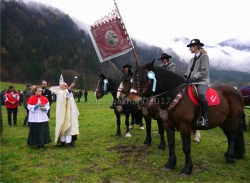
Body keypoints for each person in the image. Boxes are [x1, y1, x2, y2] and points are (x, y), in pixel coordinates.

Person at [184, 39, 209, 127]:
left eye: (190, 47)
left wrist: (194, 78)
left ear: (195, 47)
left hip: (202, 82)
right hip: (192, 81)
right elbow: (189, 71)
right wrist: (185, 77)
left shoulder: (204, 57)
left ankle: (205, 118)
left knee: (201, 95)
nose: (189, 49)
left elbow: (203, 71)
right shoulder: (192, 59)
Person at [55, 82, 79, 147]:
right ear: (61, 87)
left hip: (71, 113)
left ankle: (71, 141)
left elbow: (70, 96)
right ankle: (63, 141)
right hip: (64, 114)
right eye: (65, 86)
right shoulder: (60, 93)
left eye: (67, 85)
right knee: (64, 126)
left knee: (72, 126)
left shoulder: (68, 92)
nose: (66, 87)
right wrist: (70, 87)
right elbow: (64, 96)